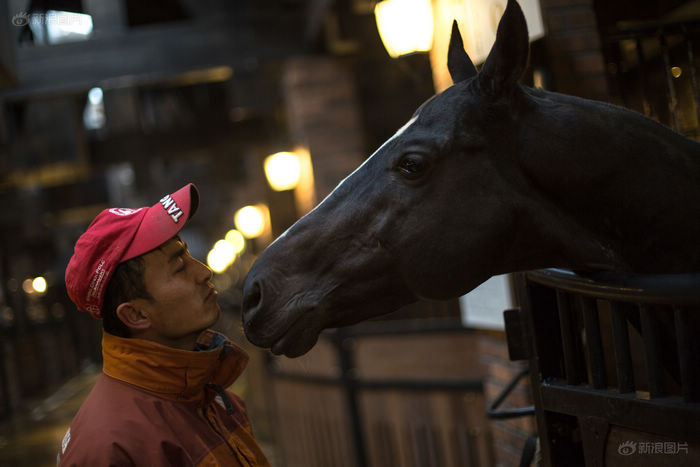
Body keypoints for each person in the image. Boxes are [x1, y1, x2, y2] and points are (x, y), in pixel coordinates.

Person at [58, 183, 270, 466]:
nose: (204, 272)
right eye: (179, 267)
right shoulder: (108, 448)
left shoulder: (211, 398)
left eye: (187, 254)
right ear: (136, 315)